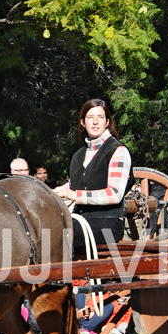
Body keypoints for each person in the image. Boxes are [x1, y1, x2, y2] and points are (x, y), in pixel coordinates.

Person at [53, 98, 132, 253]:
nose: (95, 122)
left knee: (58, 234)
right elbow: (76, 184)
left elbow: (114, 194)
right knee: (45, 227)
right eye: (90, 117)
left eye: (100, 117)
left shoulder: (118, 151)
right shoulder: (78, 155)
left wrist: (74, 195)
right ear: (83, 123)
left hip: (109, 222)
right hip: (80, 219)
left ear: (107, 122)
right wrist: (56, 192)